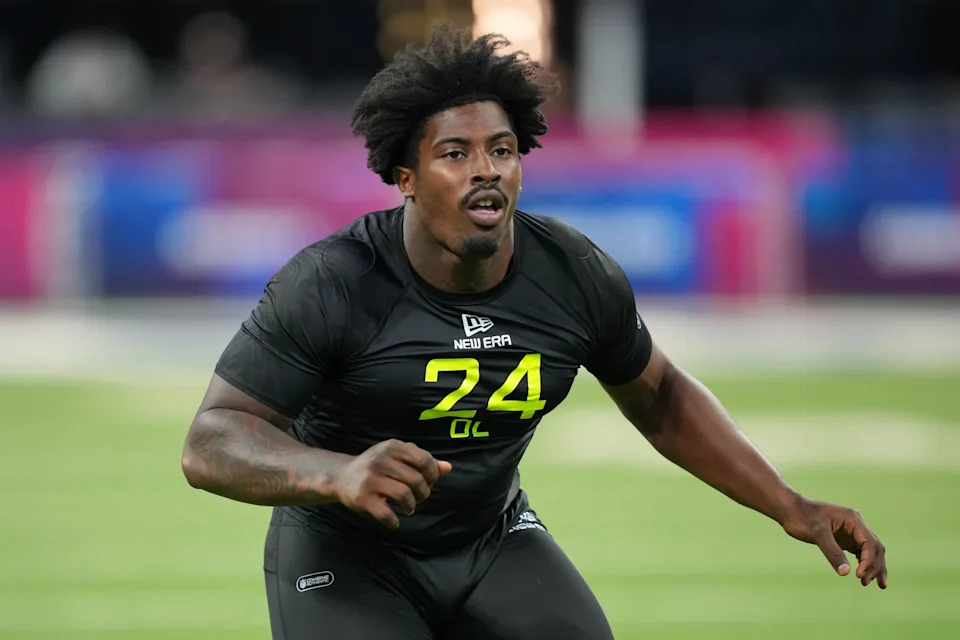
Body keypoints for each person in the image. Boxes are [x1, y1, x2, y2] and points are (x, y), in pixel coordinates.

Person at [181, 25, 887, 640]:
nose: (485, 170)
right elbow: (210, 441)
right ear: (406, 176)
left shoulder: (571, 272)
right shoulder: (334, 281)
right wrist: (335, 473)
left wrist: (789, 504)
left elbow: (660, 394)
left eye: (503, 149)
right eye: (455, 153)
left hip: (489, 537)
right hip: (347, 551)